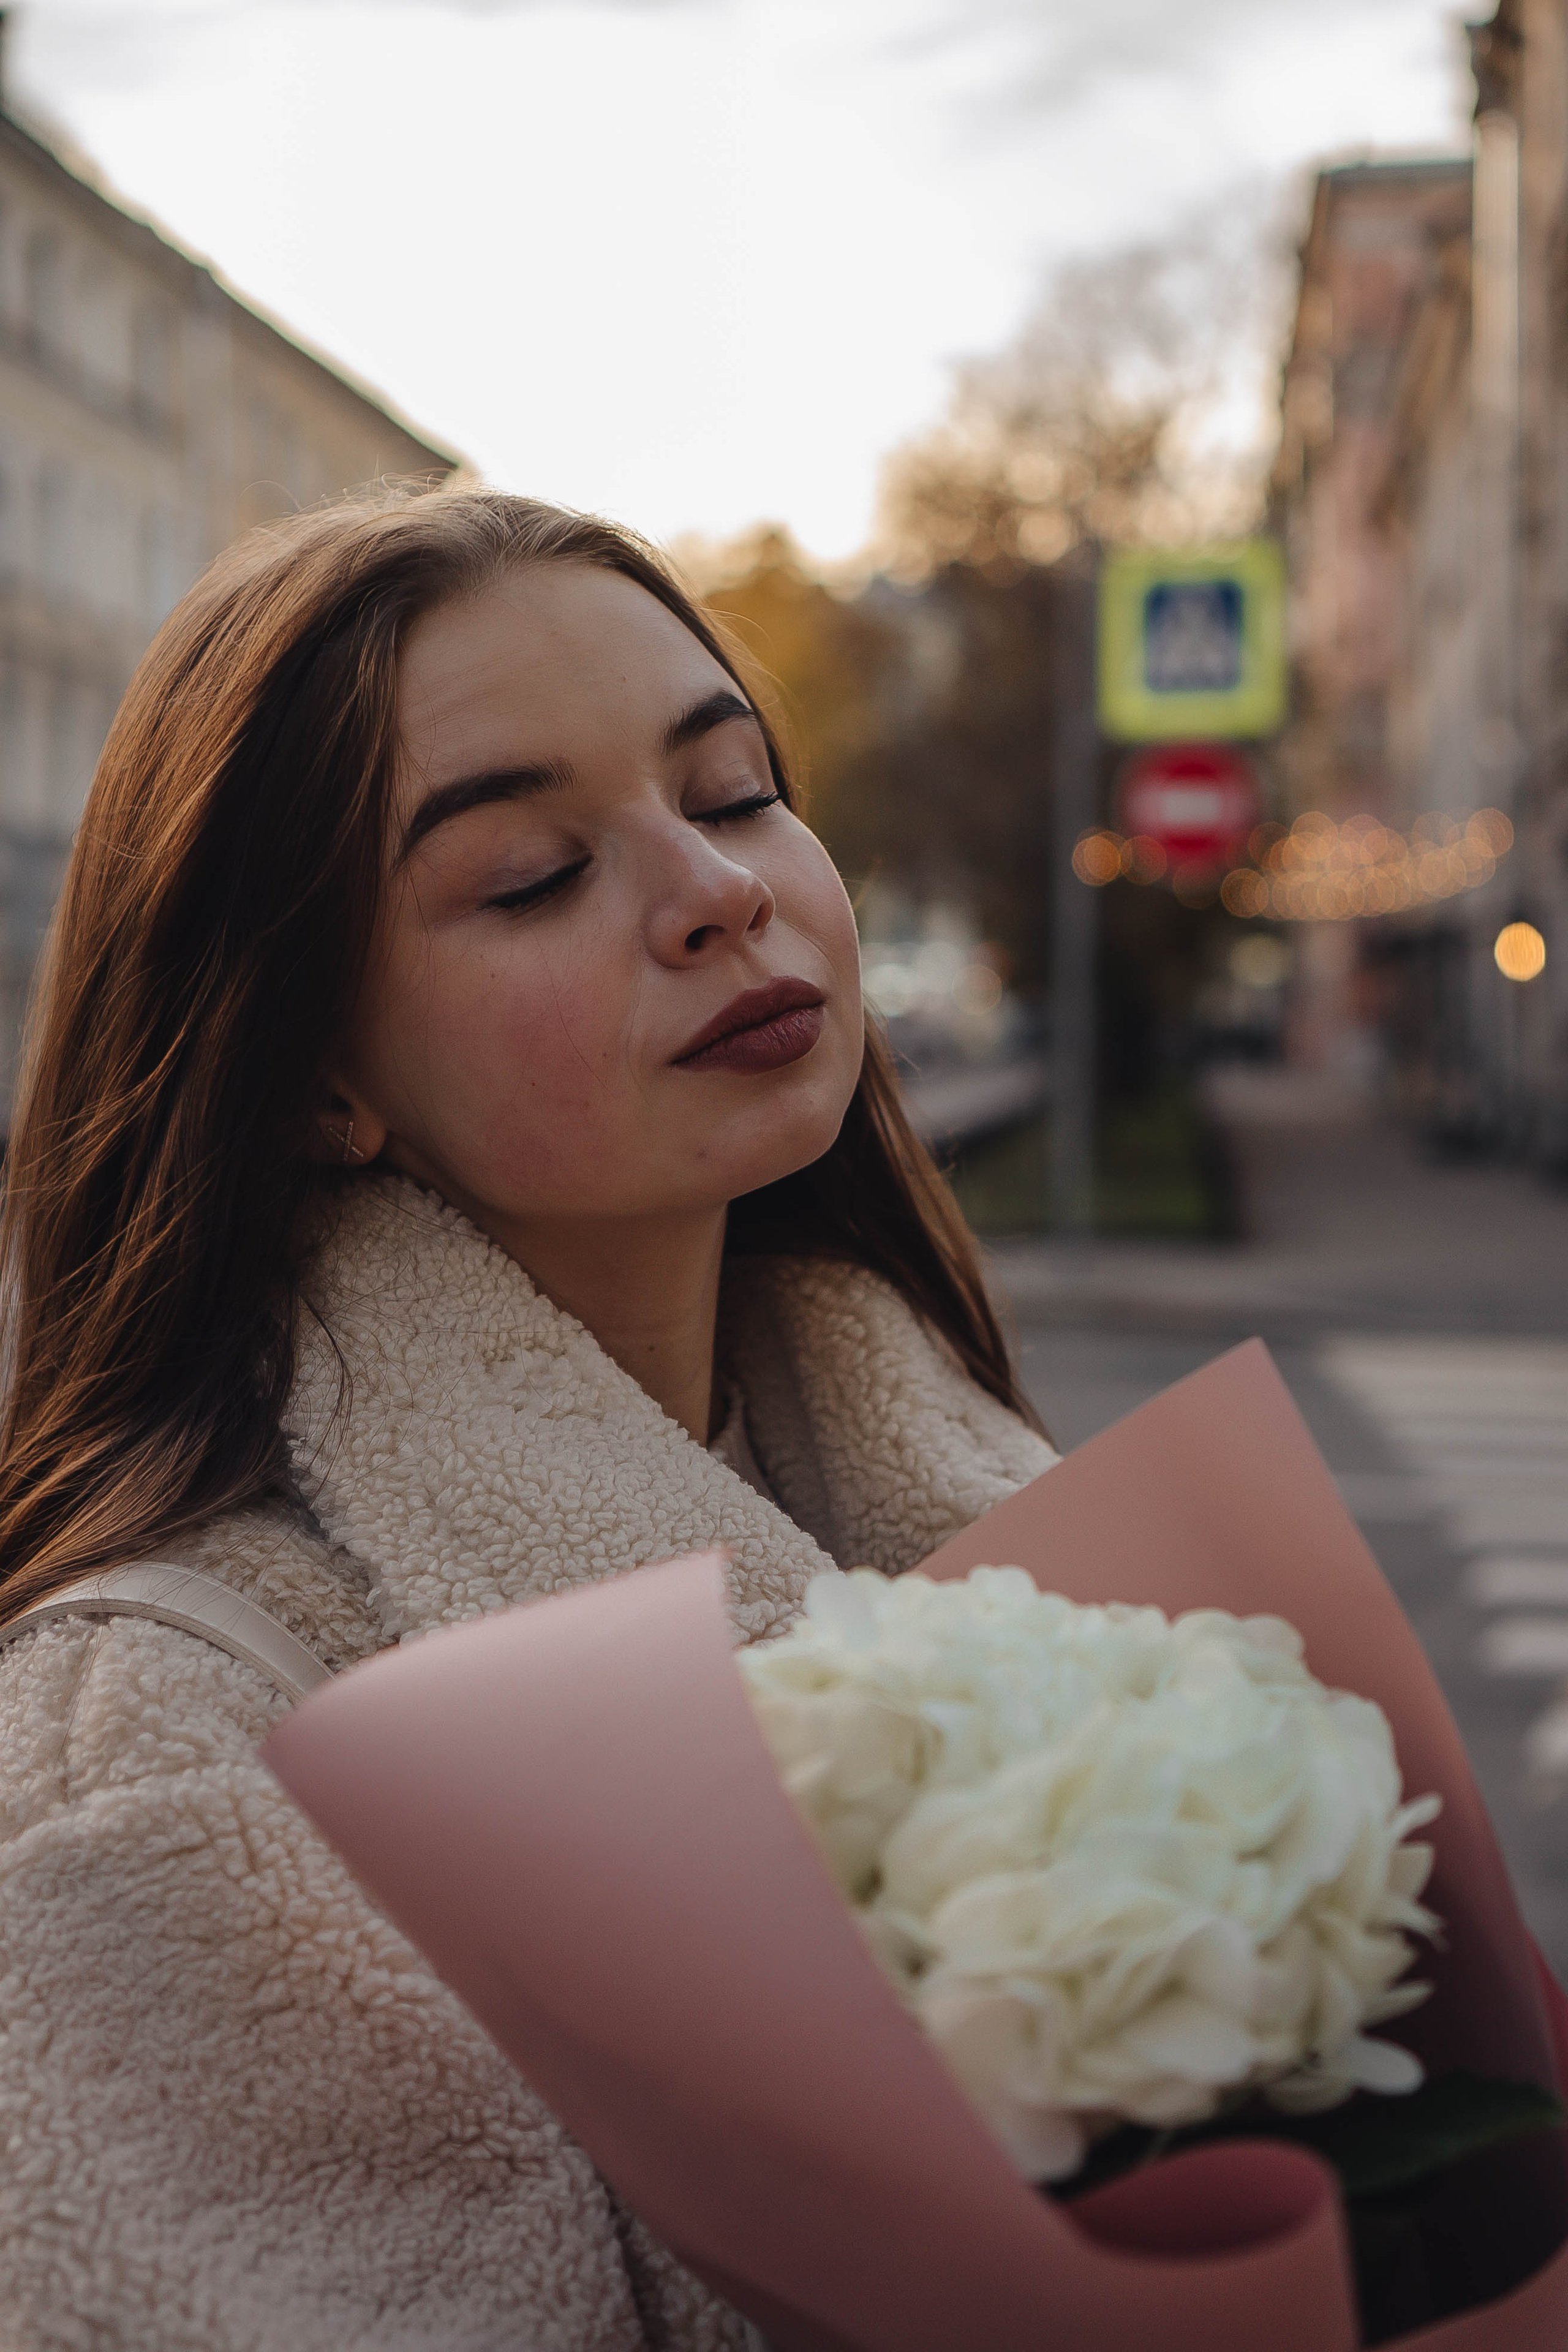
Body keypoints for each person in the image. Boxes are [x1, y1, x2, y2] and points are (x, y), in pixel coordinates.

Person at [0, 485, 1055, 2349]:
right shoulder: (154, 1746)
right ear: (315, 1074)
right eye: (530, 876)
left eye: (731, 793)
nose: (719, 891)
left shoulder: (983, 1511)